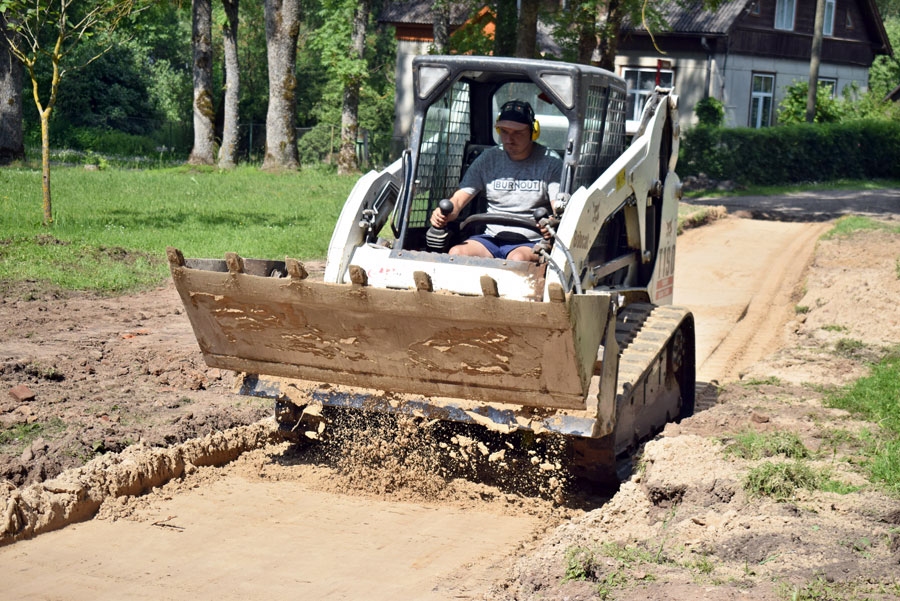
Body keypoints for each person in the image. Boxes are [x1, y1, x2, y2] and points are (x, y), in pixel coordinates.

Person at [429, 100, 563, 262]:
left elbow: (558, 209)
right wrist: (444, 214)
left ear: (533, 132)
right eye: (504, 131)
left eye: (517, 133)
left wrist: (551, 223)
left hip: (529, 241)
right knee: (456, 253)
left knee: (517, 259)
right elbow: (459, 199)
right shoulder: (488, 159)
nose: (509, 139)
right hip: (490, 238)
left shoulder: (551, 163)